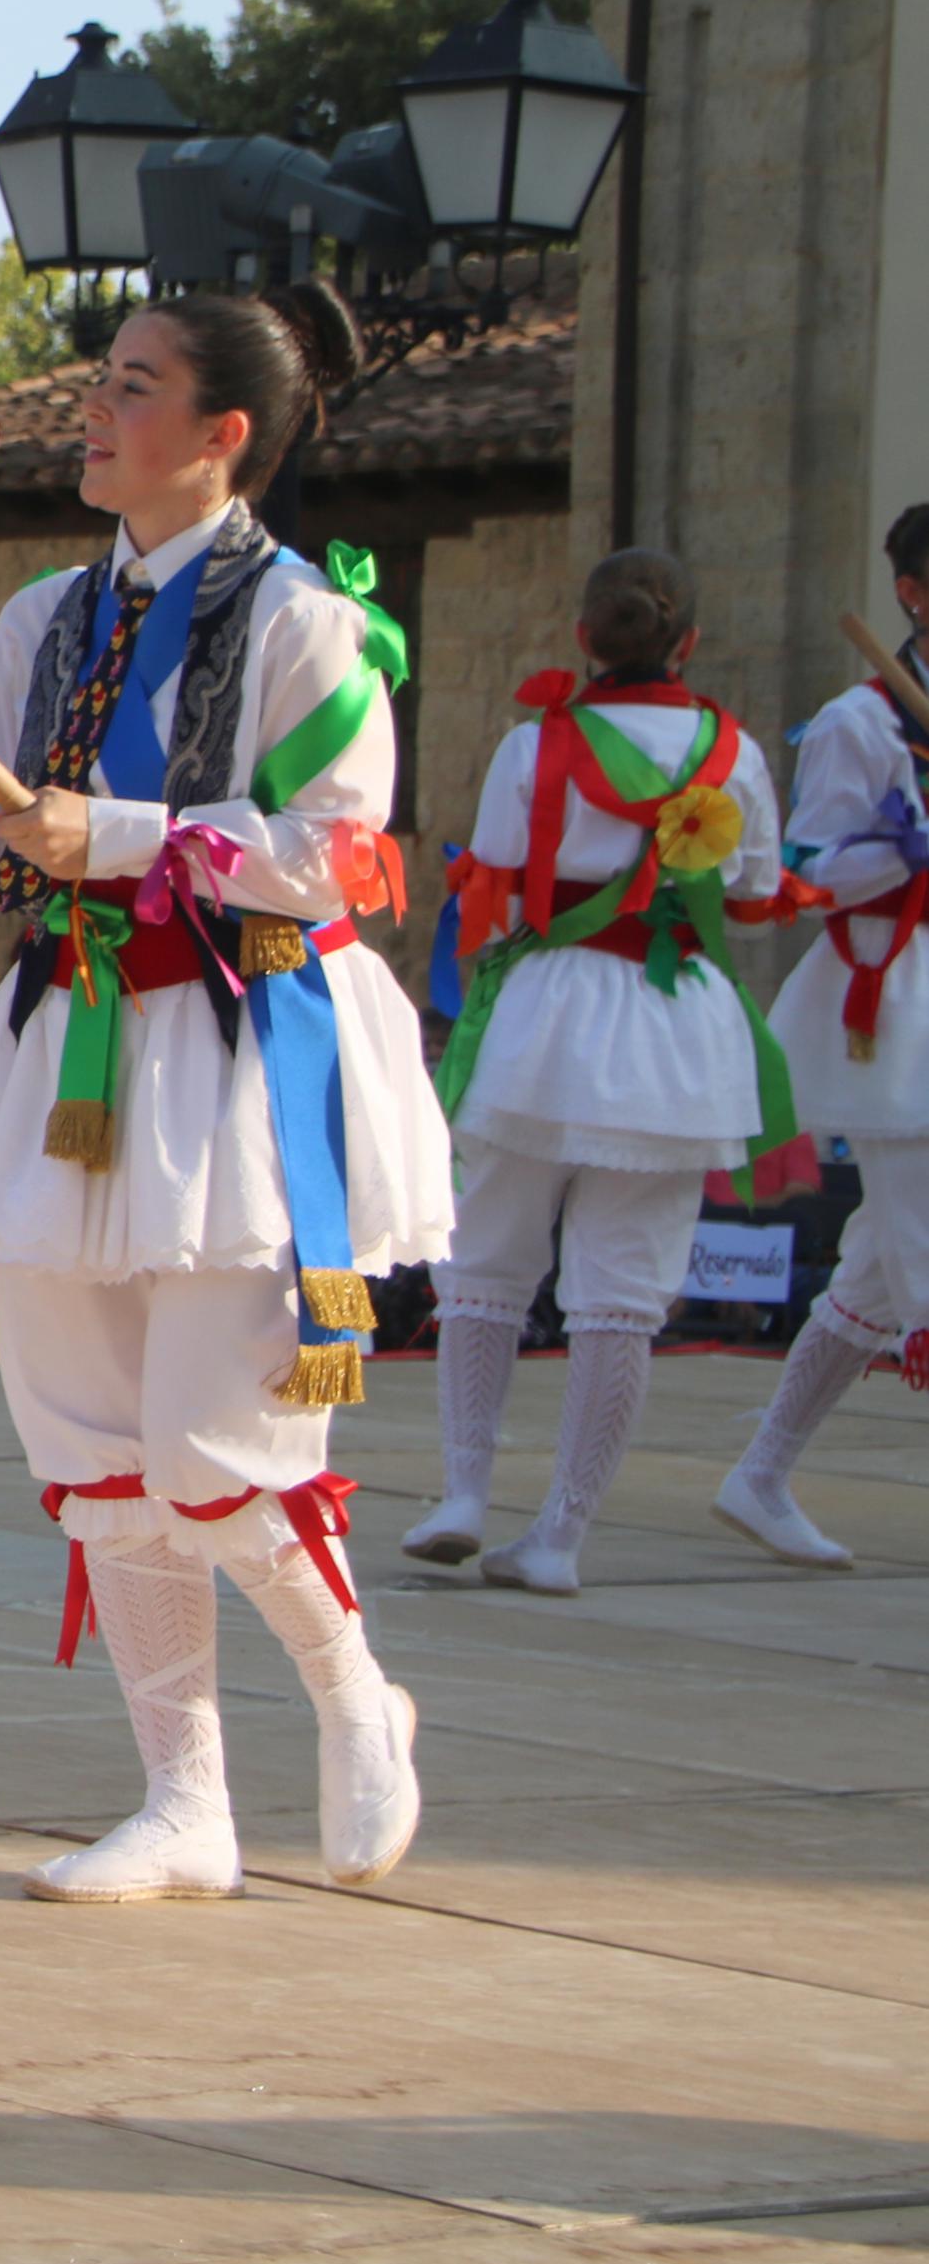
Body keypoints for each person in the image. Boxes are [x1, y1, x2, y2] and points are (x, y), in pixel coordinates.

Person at [0, 280, 437, 1903]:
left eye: (129, 387)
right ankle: (182, 1798)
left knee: (211, 1442)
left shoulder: (309, 623)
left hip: (238, 1051)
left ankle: (349, 1689)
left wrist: (116, 839)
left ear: (219, 433)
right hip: (69, 1048)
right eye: (96, 384)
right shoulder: (45, 619)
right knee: (92, 1438)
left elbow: (336, 859)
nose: (92, 415)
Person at [410, 550, 786, 1593]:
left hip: (549, 1020)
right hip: (675, 1037)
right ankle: (560, 1536)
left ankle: (461, 1493)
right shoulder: (732, 754)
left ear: (583, 638)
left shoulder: (536, 743)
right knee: (619, 1298)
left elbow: (491, 871)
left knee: (485, 1265)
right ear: (688, 643)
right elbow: (751, 890)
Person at [723, 498, 929, 1571]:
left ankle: (758, 1472)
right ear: (912, 593)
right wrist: (905, 845)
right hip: (890, 1001)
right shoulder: (860, 721)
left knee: (877, 1274)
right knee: (922, 1248)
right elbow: (805, 874)